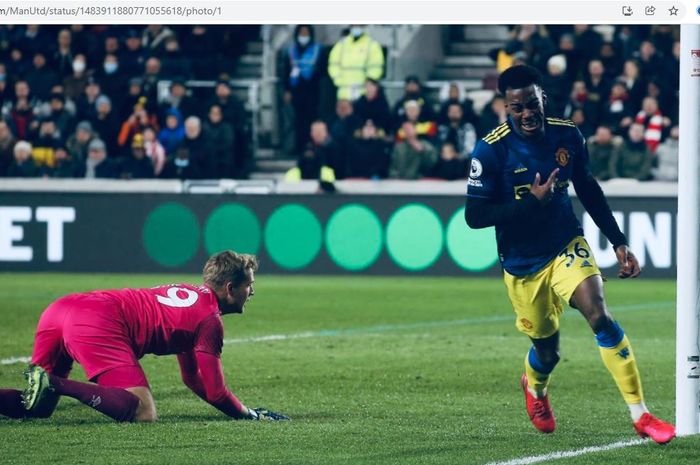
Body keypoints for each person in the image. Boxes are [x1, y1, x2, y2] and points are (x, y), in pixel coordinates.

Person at [464, 65, 675, 444]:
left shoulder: (567, 134)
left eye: (532, 103)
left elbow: (588, 188)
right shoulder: (491, 150)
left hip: (565, 244)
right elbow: (474, 216)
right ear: (506, 108)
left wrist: (618, 240)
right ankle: (536, 388)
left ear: (542, 96)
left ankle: (640, 414)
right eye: (517, 108)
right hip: (522, 263)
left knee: (600, 315)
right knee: (547, 351)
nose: (527, 113)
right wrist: (530, 203)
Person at [1, 251, 289, 423]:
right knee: (142, 411)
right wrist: (249, 414)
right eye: (249, 285)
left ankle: (49, 386)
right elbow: (215, 390)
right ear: (230, 288)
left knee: (37, 407)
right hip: (96, 320)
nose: (252, 291)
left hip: (62, 309)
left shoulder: (194, 302)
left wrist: (242, 411)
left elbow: (192, 378)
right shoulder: (210, 321)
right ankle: (54, 383)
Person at [328, 25, 384, 100]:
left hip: (364, 93)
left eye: (359, 25)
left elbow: (376, 67)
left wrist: (370, 83)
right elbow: (333, 64)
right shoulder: (342, 44)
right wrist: (338, 80)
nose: (356, 27)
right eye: (354, 25)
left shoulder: (372, 45)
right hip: (344, 93)